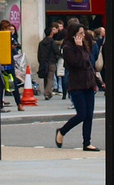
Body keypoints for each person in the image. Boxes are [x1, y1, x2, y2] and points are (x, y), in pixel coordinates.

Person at [55, 20, 99, 151]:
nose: (83, 36)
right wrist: (79, 47)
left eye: (83, 33)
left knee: (89, 115)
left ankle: (87, 142)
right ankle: (62, 131)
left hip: (89, 83)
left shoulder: (85, 45)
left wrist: (98, 81)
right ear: (74, 35)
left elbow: (88, 64)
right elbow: (77, 64)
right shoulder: (67, 48)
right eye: (80, 33)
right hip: (77, 84)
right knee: (82, 114)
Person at [38, 22, 63, 100]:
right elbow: (57, 52)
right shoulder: (52, 43)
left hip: (43, 62)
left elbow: (39, 54)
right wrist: (56, 58)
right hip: (51, 62)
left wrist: (41, 61)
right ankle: (48, 93)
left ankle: (46, 91)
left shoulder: (41, 43)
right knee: (50, 78)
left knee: (46, 78)